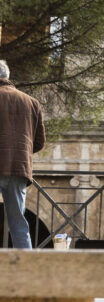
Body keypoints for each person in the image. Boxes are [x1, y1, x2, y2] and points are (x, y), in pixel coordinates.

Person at [0, 60, 45, 249]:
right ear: (7, 77)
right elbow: (39, 142)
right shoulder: (31, 102)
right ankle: (27, 268)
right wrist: (20, 153)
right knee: (18, 223)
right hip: (19, 169)